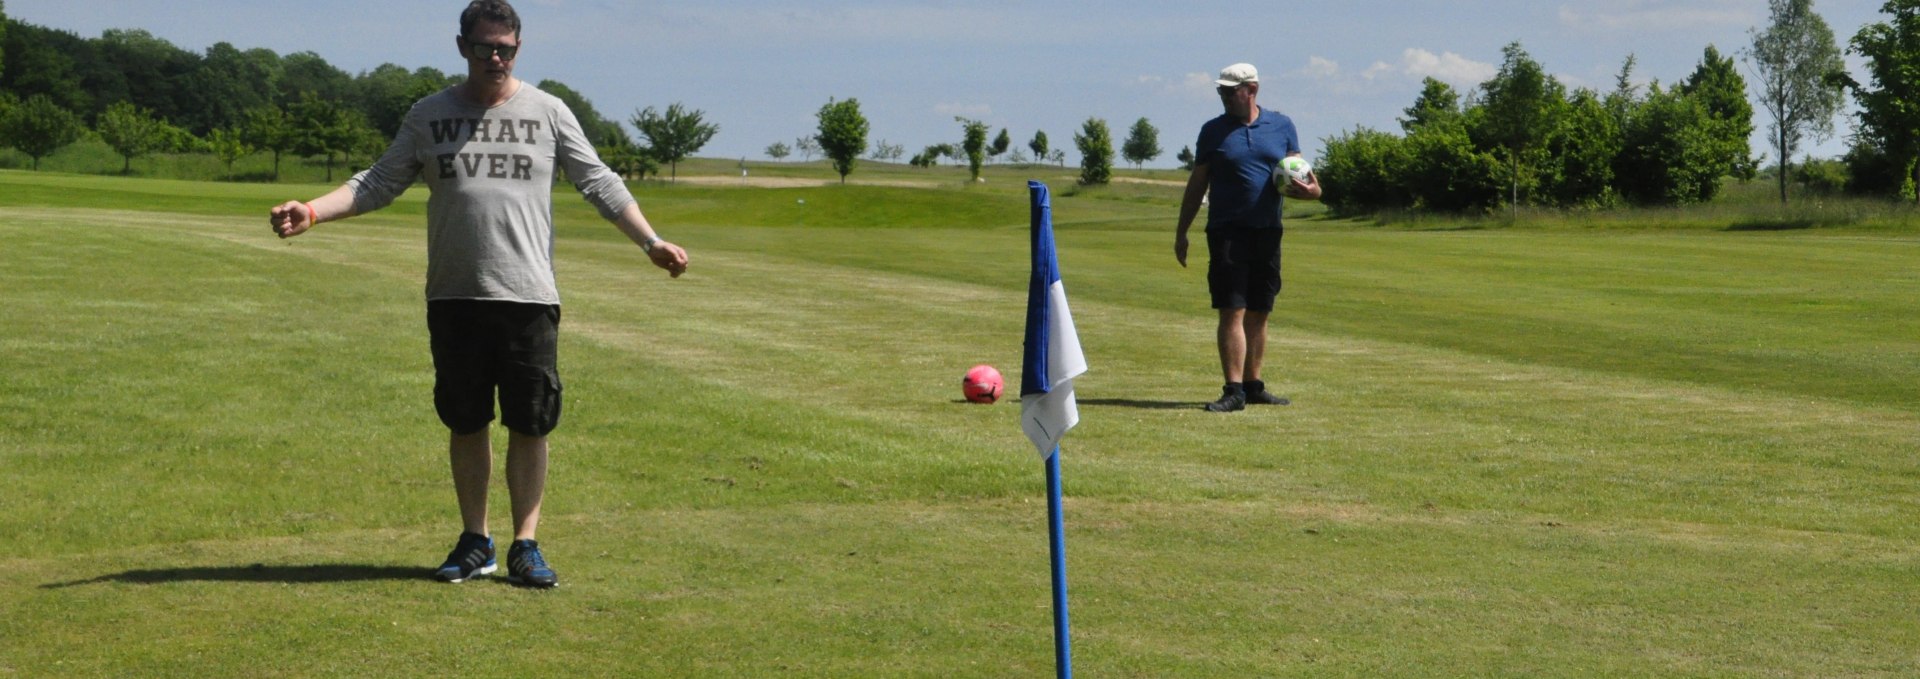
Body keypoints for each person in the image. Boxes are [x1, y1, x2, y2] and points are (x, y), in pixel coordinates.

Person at [268, 0, 689, 588]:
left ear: (519, 47)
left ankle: (526, 544)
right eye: (486, 47)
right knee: (465, 421)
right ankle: (475, 540)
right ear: (462, 45)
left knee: (530, 422)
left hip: (527, 296)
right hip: (455, 295)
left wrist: (650, 242)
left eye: (507, 48)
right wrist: (312, 210)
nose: (496, 57)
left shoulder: (549, 112)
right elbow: (379, 181)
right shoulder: (428, 114)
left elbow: (599, 181)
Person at [1173, 62, 1320, 413]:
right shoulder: (1212, 131)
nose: (1223, 95)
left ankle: (1253, 385)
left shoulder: (1282, 126)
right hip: (1227, 232)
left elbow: (1301, 174)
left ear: (1251, 89)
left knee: (1260, 310)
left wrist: (1313, 191)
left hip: (1268, 231)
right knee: (1232, 309)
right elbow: (1197, 185)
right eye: (1221, 90)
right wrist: (1182, 231)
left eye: (1229, 89)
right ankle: (1234, 389)